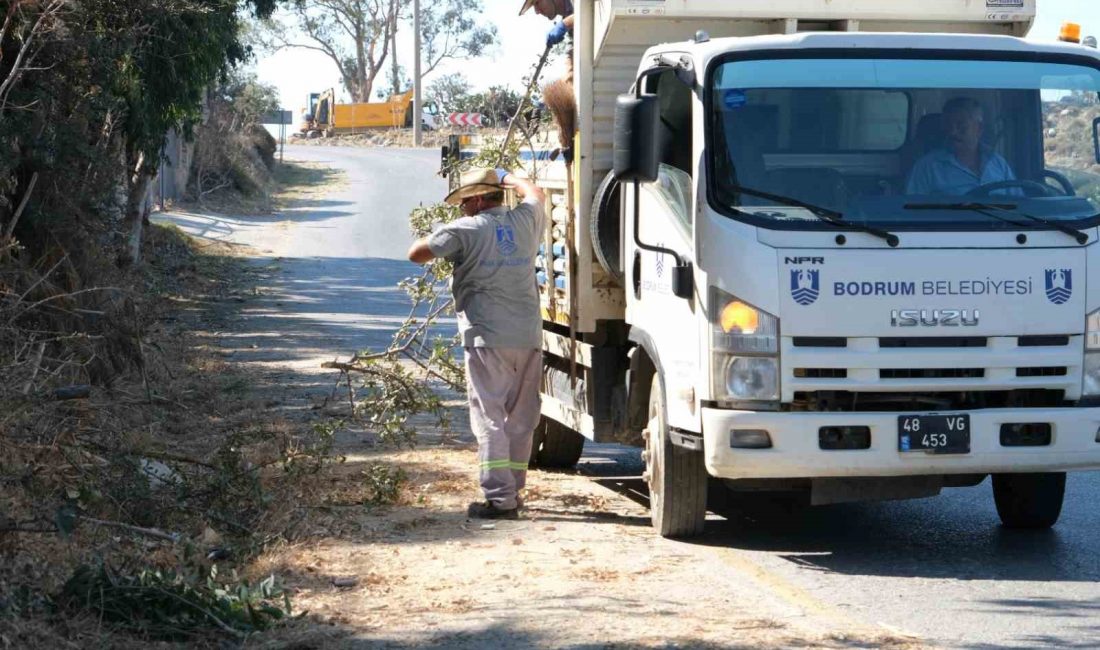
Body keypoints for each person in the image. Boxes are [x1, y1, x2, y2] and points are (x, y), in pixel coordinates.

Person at [407, 167, 546, 520]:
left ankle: (500, 500)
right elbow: (536, 194)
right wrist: (509, 176)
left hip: (487, 339)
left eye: (466, 201)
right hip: (528, 336)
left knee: (489, 416)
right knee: (520, 418)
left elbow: (417, 253)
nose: (462, 208)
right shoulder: (526, 221)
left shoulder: (465, 230)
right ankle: (514, 490)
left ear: (481, 199)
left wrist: (440, 234)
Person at [906, 97, 1017, 196]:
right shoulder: (927, 167)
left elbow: (1018, 204)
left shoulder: (998, 163)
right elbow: (912, 212)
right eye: (948, 125)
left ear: (979, 128)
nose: (953, 132)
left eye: (961, 126)